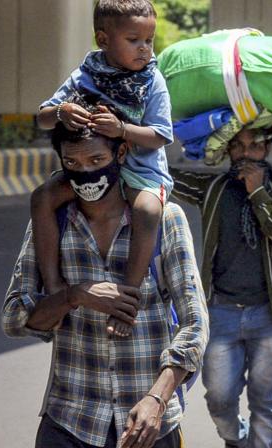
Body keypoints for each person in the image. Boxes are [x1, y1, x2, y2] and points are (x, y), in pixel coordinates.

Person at [1, 115, 208, 448]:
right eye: (72, 162)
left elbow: (195, 324)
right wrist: (74, 296)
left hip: (147, 427)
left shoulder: (164, 220)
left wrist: (157, 399)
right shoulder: (51, 224)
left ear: (121, 154)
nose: (86, 173)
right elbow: (14, 317)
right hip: (69, 421)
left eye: (97, 160)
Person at [33, 0, 173, 338]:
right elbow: (42, 117)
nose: (144, 49)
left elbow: (160, 136)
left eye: (149, 41)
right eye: (134, 40)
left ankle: (128, 299)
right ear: (103, 39)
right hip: (92, 168)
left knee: (148, 211)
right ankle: (53, 283)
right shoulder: (86, 73)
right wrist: (62, 111)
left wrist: (122, 130)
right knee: (42, 197)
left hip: (141, 172)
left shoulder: (151, 80)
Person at [170, 126, 272, 448]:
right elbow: (166, 177)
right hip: (220, 313)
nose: (245, 154)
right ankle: (236, 439)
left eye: (254, 146)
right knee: (218, 397)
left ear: (267, 148)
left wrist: (258, 193)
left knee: (265, 403)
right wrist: (134, 143)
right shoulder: (213, 187)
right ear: (227, 150)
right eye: (238, 146)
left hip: (268, 316)